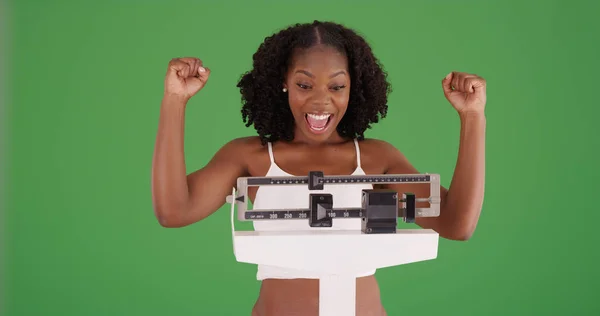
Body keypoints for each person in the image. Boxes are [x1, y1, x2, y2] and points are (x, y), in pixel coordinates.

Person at [151, 20, 486, 316]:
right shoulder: (250, 157)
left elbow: (457, 224)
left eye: (337, 86)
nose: (321, 101)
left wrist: (473, 116)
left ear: (354, 87)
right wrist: (174, 99)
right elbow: (174, 211)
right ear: (283, 82)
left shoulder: (376, 159)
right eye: (304, 85)